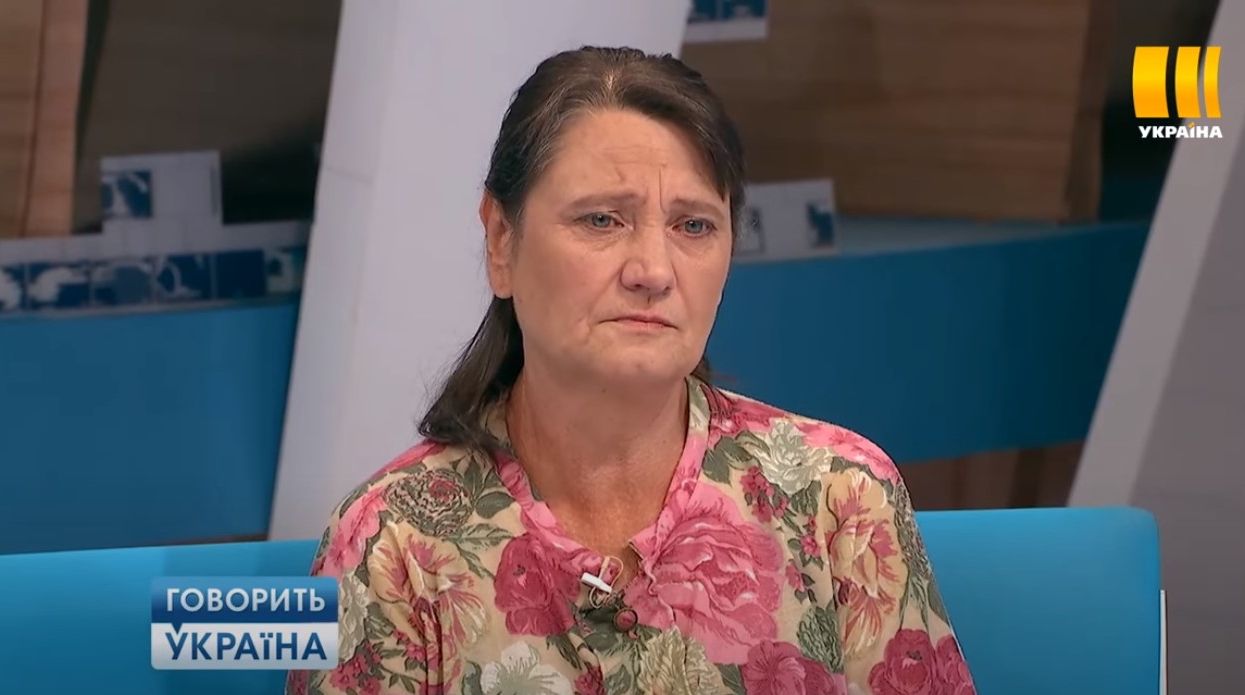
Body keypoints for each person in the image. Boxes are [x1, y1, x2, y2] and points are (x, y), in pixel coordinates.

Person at [288, 46, 976, 695]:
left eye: (694, 226)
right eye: (602, 220)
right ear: (501, 240)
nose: (652, 271)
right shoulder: (387, 544)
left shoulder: (844, 501)